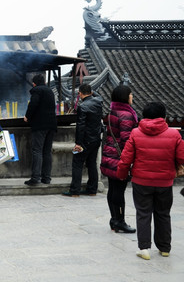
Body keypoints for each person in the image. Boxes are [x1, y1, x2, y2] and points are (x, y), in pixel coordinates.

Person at [117, 102, 184, 260]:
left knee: (143, 214)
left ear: (144, 116)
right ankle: (165, 248)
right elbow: (182, 157)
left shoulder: (135, 133)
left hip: (141, 181)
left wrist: (121, 175)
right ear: (164, 116)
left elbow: (126, 159)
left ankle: (144, 248)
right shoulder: (174, 134)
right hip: (165, 182)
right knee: (163, 214)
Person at [100, 85, 137, 233]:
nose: (132, 96)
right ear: (125, 97)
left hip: (109, 154)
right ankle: (119, 221)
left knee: (112, 189)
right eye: (130, 94)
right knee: (119, 190)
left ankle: (114, 219)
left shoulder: (111, 113)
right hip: (119, 157)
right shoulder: (126, 115)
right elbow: (127, 140)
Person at [63, 84, 103, 197]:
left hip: (85, 140)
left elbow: (80, 126)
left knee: (77, 163)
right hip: (96, 139)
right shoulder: (99, 102)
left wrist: (78, 143)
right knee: (92, 163)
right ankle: (92, 190)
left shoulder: (83, 106)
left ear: (80, 93)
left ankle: (74, 190)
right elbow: (98, 95)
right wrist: (91, 91)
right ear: (90, 92)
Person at [23, 73, 57, 185]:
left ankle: (35, 178)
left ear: (34, 83)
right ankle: (46, 178)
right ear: (44, 82)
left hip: (40, 126)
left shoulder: (37, 90)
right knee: (47, 151)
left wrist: (27, 116)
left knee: (37, 151)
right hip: (51, 125)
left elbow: (33, 104)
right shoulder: (50, 91)